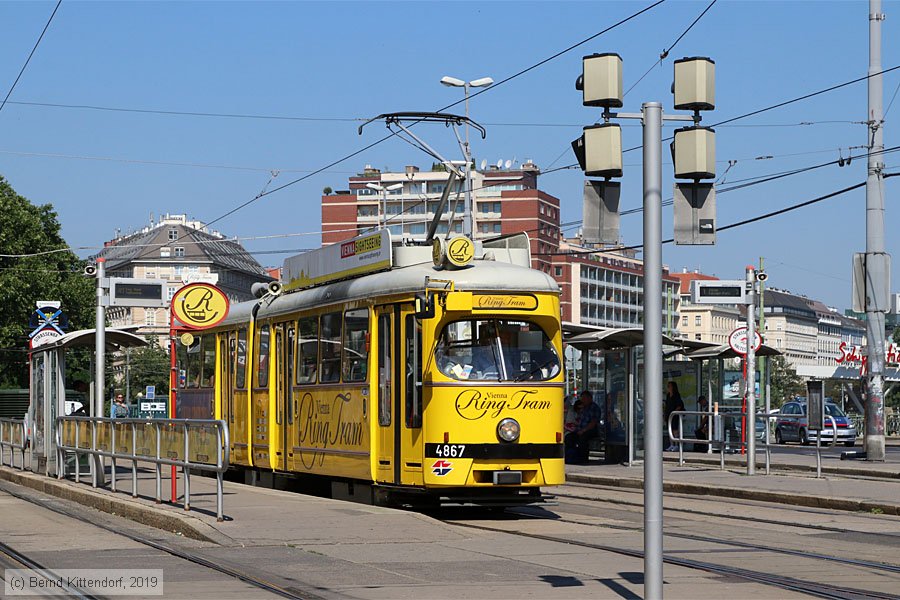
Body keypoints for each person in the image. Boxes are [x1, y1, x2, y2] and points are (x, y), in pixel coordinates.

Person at [565, 390, 602, 464]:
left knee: (583, 439)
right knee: (569, 437)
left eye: (584, 399)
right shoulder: (583, 408)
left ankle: (583, 459)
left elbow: (593, 423)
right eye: (582, 399)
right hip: (580, 429)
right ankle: (571, 456)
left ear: (590, 398)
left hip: (590, 430)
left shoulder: (594, 408)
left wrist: (583, 430)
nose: (582, 401)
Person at [664, 381, 685, 451]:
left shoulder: (676, 395)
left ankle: (676, 445)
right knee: (669, 430)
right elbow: (667, 405)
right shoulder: (668, 395)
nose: (668, 388)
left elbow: (679, 405)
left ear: (673, 387)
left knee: (675, 430)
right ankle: (671, 444)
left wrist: (674, 412)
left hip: (674, 415)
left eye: (669, 386)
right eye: (668, 386)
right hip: (668, 415)